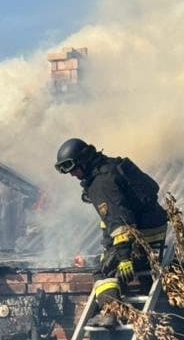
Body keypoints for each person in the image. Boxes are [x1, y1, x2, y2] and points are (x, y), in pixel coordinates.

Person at [55, 139, 168, 328]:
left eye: (73, 168)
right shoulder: (113, 166)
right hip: (154, 233)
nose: (72, 174)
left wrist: (123, 257)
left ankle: (110, 312)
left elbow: (119, 219)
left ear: (84, 160)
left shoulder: (101, 184)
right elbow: (151, 189)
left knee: (103, 270)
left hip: (139, 240)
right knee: (108, 256)